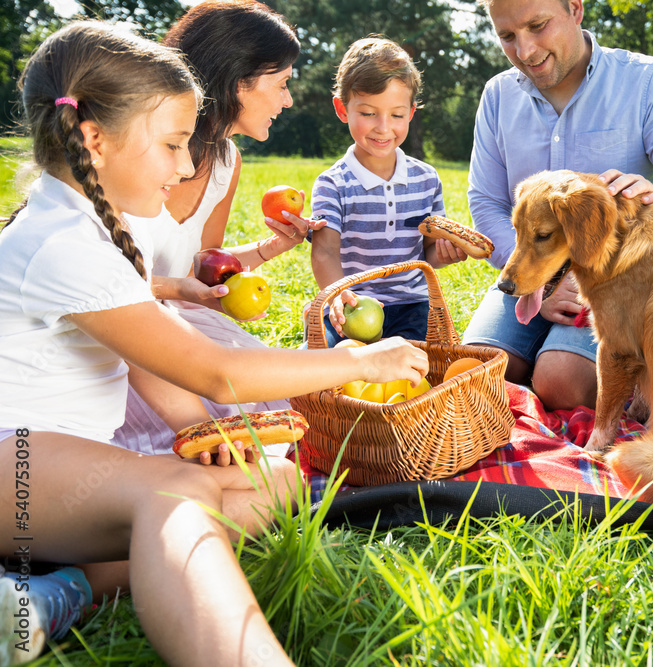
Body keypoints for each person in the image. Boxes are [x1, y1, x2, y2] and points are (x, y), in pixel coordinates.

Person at [0, 21, 428, 664]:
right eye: (171, 144)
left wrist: (209, 436)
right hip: (20, 468)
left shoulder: (85, 226)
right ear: (94, 139)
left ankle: (60, 592)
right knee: (176, 497)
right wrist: (352, 360)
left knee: (279, 481)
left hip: (60, 470)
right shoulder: (63, 241)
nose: (182, 165)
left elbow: (150, 369)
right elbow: (218, 374)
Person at [462, 0, 653, 411]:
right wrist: (538, 280)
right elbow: (486, 202)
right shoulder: (497, 95)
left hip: (614, 281)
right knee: (473, 374)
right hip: (525, 276)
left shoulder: (645, 80)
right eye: (508, 37)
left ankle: (623, 392)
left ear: (575, 8)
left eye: (538, 26)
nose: (527, 51)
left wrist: (650, 200)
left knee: (562, 384)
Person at [112, 0, 326, 457]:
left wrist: (270, 248)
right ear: (237, 81)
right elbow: (94, 283)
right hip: (122, 338)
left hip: (178, 321)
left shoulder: (227, 161)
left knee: (286, 406)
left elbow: (202, 272)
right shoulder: (139, 156)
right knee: (222, 431)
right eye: (282, 83)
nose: (288, 99)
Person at [310, 36, 467, 346]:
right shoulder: (332, 184)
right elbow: (325, 251)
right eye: (368, 113)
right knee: (326, 360)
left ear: (410, 112)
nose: (383, 127)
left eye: (396, 115)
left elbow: (429, 253)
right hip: (352, 303)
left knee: (425, 362)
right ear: (342, 109)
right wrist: (339, 292)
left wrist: (447, 254)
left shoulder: (426, 179)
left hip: (412, 305)